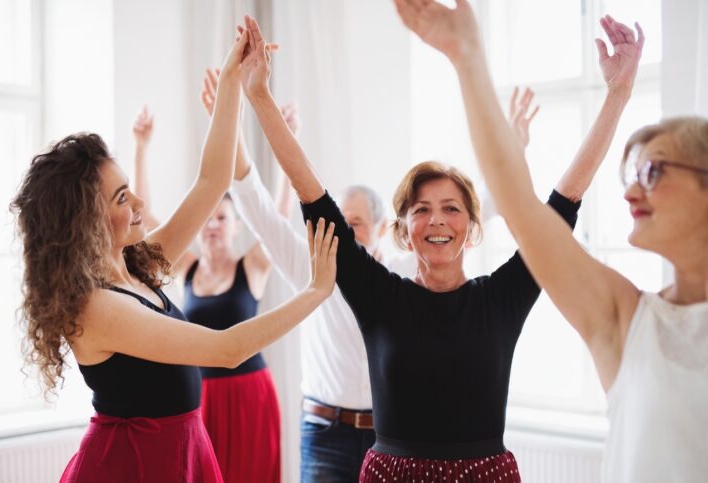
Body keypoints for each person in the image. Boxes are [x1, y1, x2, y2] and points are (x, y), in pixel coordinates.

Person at [236, 12, 640, 482]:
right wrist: (259, 96)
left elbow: (565, 201)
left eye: (451, 208)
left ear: (472, 227)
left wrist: (617, 95)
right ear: (405, 230)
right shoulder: (380, 296)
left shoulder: (501, 298)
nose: (437, 220)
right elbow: (314, 198)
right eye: (422, 209)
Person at [394, 1, 708, 482]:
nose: (628, 190)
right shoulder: (628, 318)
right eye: (631, 173)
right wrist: (467, 57)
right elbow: (527, 203)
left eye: (652, 170)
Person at [10, 28, 338, 483]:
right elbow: (227, 349)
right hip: (134, 466)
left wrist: (231, 81)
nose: (140, 205)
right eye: (123, 198)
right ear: (85, 222)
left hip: (178, 451)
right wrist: (316, 290)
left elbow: (212, 180)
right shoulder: (96, 307)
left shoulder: (137, 265)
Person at [200, 63, 536, 481]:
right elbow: (259, 205)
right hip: (325, 431)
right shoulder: (311, 260)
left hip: (388, 437)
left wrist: (515, 147)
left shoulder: (405, 274)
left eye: (354, 223)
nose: (342, 230)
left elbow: (468, 210)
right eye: (341, 221)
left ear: (383, 230)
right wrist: (234, 121)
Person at [131, 98, 292, 483]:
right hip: (200, 398)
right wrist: (140, 147)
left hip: (250, 395)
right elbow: (145, 225)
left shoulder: (251, 266)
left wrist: (289, 139)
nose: (212, 226)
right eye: (207, 219)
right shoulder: (186, 267)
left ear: (237, 226)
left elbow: (279, 219)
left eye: (222, 218)